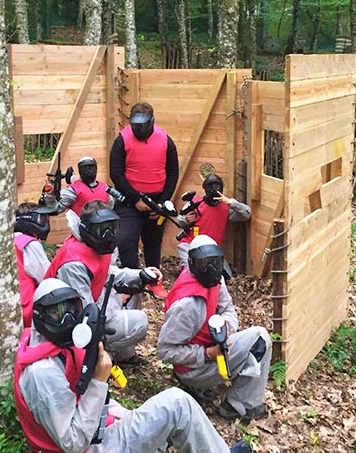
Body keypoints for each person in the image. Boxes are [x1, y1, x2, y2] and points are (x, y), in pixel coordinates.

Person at [14, 277, 252, 453]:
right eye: (56, 314)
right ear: (39, 316)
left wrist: (122, 415)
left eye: (71, 310)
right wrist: (99, 381)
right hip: (91, 448)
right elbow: (73, 443)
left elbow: (78, 397)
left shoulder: (48, 346)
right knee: (177, 404)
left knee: (157, 416)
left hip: (96, 432)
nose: (66, 319)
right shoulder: (42, 374)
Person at [158, 235, 271, 420]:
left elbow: (227, 308)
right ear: (193, 264)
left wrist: (226, 329)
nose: (211, 268)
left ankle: (225, 392)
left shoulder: (215, 278)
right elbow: (165, 351)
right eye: (205, 263)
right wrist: (208, 353)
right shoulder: (187, 305)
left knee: (256, 339)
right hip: (191, 370)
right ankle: (240, 405)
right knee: (261, 338)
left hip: (213, 351)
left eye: (215, 261)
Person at [44, 200, 166, 365]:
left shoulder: (93, 246)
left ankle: (123, 356)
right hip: (68, 326)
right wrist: (116, 302)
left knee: (134, 296)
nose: (109, 234)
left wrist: (141, 275)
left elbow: (107, 272)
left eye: (112, 227)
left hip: (90, 301)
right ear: (86, 228)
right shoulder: (73, 265)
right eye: (102, 229)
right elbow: (85, 315)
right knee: (139, 322)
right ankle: (98, 356)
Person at [109, 102, 179, 271]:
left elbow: (173, 172)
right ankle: (132, 278)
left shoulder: (165, 140)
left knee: (153, 242)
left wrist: (162, 203)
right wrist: (135, 199)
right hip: (129, 202)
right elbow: (116, 173)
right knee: (126, 240)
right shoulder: (122, 140)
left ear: (151, 121)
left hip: (157, 201)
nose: (139, 130)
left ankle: (153, 280)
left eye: (142, 126)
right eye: (135, 126)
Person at [176, 173, 251, 273]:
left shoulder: (225, 207)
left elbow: (246, 214)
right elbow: (179, 220)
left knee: (225, 276)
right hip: (190, 245)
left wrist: (232, 203)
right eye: (210, 186)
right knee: (190, 272)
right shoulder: (195, 203)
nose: (213, 189)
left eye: (216, 186)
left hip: (212, 250)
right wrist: (186, 220)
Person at [14, 200, 57, 327]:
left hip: (9, 308)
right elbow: (47, 277)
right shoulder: (29, 244)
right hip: (28, 311)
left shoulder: (8, 241)